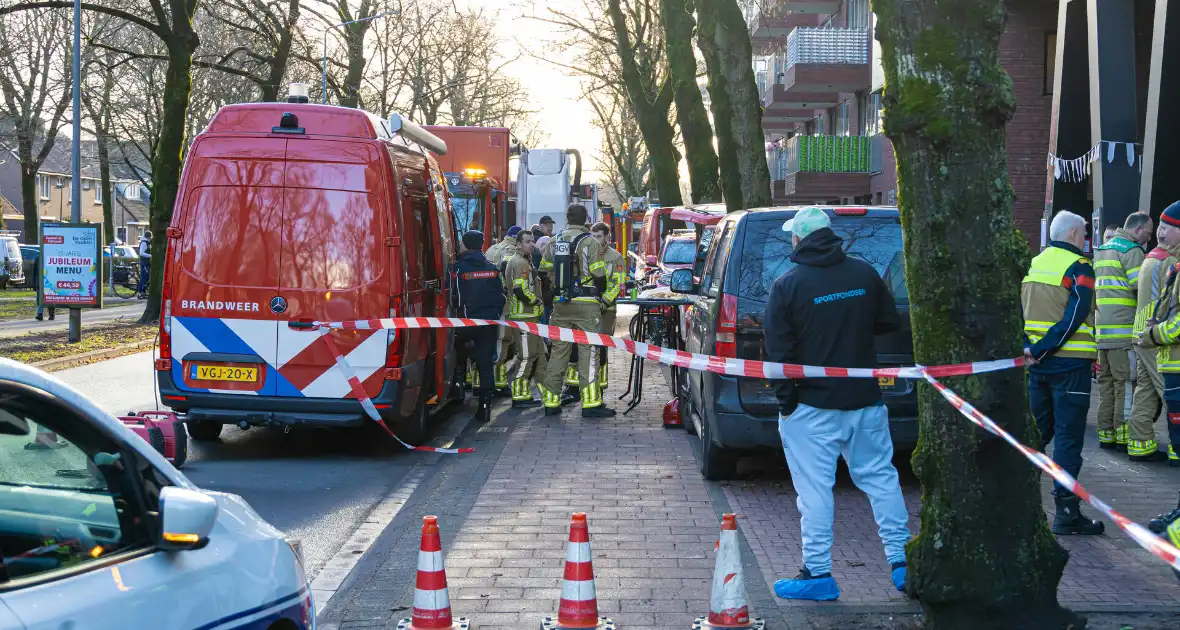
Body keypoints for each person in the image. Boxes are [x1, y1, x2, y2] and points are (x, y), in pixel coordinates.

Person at [762, 208, 910, 601]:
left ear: (799, 239)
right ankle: (903, 562)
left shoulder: (787, 286)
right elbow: (887, 323)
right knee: (881, 478)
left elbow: (778, 354)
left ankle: (818, 574)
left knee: (814, 491)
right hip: (865, 401)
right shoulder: (863, 274)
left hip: (811, 407)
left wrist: (787, 403)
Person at [1023, 210, 1105, 535]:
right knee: (1068, 442)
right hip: (1070, 366)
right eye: (1084, 234)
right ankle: (1066, 512)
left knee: (1035, 437)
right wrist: (1045, 347)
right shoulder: (1080, 267)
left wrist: (1030, 349)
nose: (1085, 240)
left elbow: (1018, 311)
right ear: (1073, 235)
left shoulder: (1033, 264)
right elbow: (1076, 315)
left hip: (1036, 366)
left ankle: (1021, 506)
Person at [539, 204, 615, 417]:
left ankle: (551, 402)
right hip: (586, 305)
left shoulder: (554, 241)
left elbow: (544, 270)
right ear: (585, 220)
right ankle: (591, 404)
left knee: (558, 352)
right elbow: (598, 274)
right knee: (589, 353)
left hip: (560, 304)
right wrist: (599, 293)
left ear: (566, 218)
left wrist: (555, 290)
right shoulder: (590, 242)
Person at [1094, 213, 1150, 451]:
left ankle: (1106, 433)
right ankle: (1124, 435)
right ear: (1137, 230)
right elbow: (1142, 290)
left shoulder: (1102, 250)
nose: (1149, 237)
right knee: (1125, 384)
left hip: (1102, 332)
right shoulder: (1132, 251)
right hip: (1124, 332)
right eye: (1148, 232)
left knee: (1106, 385)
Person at [1129, 212, 1179, 462]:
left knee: (1145, 391)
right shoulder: (1170, 261)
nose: (1160, 232)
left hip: (1141, 332)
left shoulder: (1150, 257)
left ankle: (1139, 444)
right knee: (1168, 392)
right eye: (1161, 227)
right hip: (1156, 335)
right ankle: (1175, 448)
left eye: (1164, 227)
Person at [450, 230, 506, 423]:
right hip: (489, 322)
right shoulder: (492, 268)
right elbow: (501, 296)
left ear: (465, 245)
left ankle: (458, 386)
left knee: (456, 349)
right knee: (485, 364)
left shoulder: (458, 268)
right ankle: (485, 407)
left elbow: (455, 298)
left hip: (466, 322)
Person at [499, 230, 546, 408]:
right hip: (523, 317)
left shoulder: (524, 261)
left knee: (538, 355)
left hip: (529, 317)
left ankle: (543, 394)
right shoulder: (520, 263)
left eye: (532, 241)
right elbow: (520, 291)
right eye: (527, 241)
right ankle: (519, 395)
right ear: (518, 244)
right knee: (526, 357)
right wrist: (537, 300)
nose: (531, 244)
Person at [487, 226, 522, 395]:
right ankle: (496, 383)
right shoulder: (511, 250)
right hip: (505, 301)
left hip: (489, 301)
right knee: (503, 340)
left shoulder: (492, 248)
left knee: (492, 341)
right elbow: (508, 270)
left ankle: (491, 381)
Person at [591, 221, 625, 390]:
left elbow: (618, 283)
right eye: (593, 236)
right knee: (589, 348)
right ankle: (590, 383)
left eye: (599, 236)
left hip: (606, 309)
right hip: (589, 308)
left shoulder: (615, 257)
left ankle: (601, 384)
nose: (596, 240)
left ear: (606, 237)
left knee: (602, 347)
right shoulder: (588, 254)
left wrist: (605, 301)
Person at [137, 230, 152, 299]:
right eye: (150, 237)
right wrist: (150, 255)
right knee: (143, 278)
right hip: (144, 263)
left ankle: (143, 292)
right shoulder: (144, 243)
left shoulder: (146, 243)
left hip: (146, 262)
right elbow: (141, 253)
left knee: (146, 278)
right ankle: (140, 293)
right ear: (149, 237)